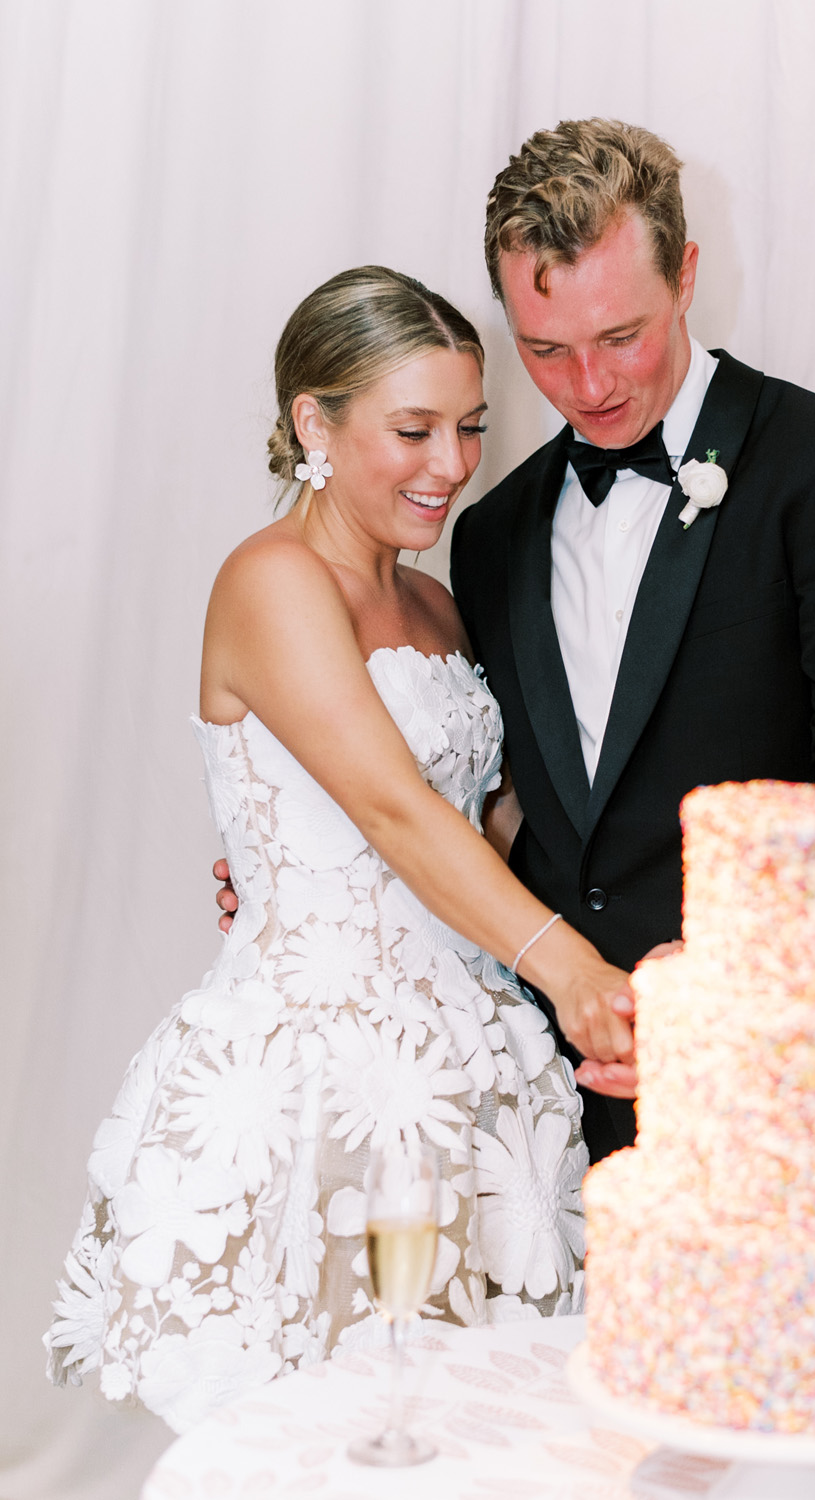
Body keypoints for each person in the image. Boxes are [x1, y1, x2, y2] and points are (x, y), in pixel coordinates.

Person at [45, 266, 632, 1434]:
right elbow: (391, 812)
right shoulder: (269, 581)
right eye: (412, 430)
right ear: (314, 422)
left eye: (469, 427)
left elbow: (479, 823)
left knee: (470, 1426)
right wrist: (576, 974)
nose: (452, 465)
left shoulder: (436, 606)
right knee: (324, 1427)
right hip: (324, 1077)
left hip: (472, 1070)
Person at [448, 119, 815, 1162]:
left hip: (780, 1091)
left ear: (683, 274)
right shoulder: (489, 535)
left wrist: (707, 1004)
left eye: (620, 337)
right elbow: (499, 809)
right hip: (545, 1105)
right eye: (544, 351)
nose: (587, 387)